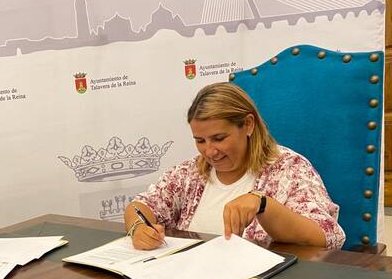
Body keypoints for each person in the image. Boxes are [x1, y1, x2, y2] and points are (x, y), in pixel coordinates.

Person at [125, 82, 345, 250]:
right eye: (200, 141)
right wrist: (138, 228)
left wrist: (262, 204)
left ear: (248, 125)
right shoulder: (190, 173)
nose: (209, 151)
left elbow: (326, 237)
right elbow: (140, 206)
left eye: (219, 138)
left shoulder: (289, 168)